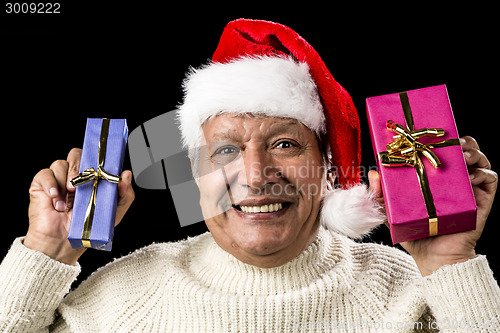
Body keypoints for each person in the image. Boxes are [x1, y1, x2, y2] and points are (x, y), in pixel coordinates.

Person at [1, 18, 499, 332]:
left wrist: (450, 262)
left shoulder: (416, 292)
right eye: (225, 151)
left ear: (329, 169)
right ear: (195, 176)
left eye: (285, 144)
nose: (256, 175)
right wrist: (46, 252)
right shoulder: (124, 297)